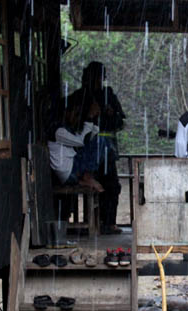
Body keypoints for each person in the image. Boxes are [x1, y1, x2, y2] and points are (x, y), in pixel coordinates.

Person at [72, 61, 126, 235]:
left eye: (99, 77)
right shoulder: (79, 96)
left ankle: (108, 222)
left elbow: (120, 121)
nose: (97, 80)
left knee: (111, 186)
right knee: (88, 183)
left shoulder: (108, 95)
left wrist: (110, 115)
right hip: (84, 150)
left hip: (107, 150)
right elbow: (71, 121)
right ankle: (89, 224)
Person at [48, 96, 104, 192]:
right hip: (69, 173)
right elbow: (82, 142)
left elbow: (89, 138)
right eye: (75, 113)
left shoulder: (67, 129)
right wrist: (89, 117)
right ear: (66, 112)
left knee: (100, 139)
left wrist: (94, 119)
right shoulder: (59, 131)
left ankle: (85, 178)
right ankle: (87, 176)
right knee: (101, 140)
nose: (77, 118)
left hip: (72, 170)